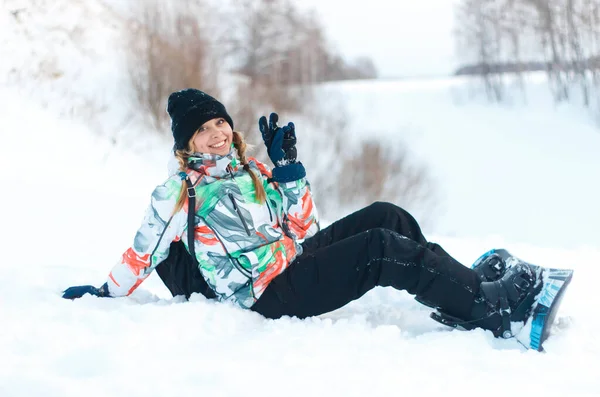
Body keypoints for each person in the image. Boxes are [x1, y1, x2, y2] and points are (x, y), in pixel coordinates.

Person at [62, 88, 545, 347]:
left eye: (219, 123)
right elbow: (143, 252)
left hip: (290, 260)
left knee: (387, 215)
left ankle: (463, 289)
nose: (215, 134)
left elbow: (304, 230)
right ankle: (493, 312)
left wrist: (290, 172)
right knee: (378, 248)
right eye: (201, 130)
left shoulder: (252, 169)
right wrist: (105, 291)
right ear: (185, 144)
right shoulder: (179, 191)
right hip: (265, 293)